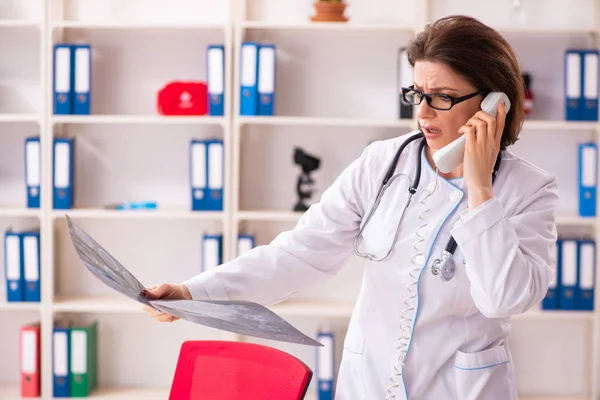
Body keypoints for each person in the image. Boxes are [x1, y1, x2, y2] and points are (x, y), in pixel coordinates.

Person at [143, 15, 558, 400]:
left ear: (495, 105)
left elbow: (504, 299)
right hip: (369, 384)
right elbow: (299, 254)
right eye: (418, 93)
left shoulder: (529, 189)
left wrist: (480, 189)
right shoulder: (382, 163)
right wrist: (193, 293)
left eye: (443, 97)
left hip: (461, 389)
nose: (423, 113)